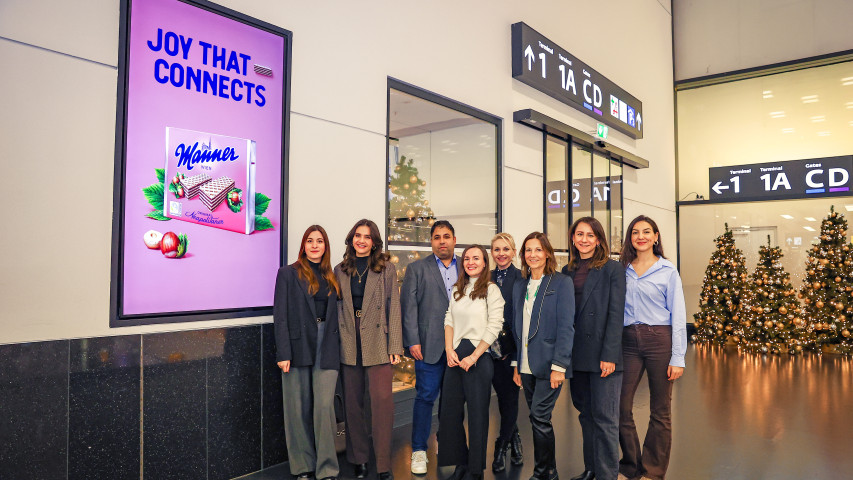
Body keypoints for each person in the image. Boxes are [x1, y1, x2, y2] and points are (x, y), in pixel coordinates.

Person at [617, 216, 686, 480]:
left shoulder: (668, 271)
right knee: (620, 405)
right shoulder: (622, 269)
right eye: (635, 232)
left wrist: (678, 357)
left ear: (656, 236)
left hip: (659, 339)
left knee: (660, 409)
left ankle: (653, 471)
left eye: (647, 232)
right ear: (630, 237)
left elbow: (678, 315)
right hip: (628, 341)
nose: (641, 237)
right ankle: (630, 465)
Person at [334, 219, 403, 480]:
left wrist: (395, 345)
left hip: (378, 338)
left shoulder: (386, 269)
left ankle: (383, 463)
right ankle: (359, 459)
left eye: (367, 237)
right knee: (353, 405)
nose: (361, 240)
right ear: (351, 239)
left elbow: (393, 307)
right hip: (349, 338)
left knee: (382, 403)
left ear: (374, 242)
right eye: (357, 235)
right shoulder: (340, 269)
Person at [273, 225, 342, 480]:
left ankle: (327, 468)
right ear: (303, 245)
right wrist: (283, 352)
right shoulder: (287, 274)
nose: (315, 245)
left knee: (324, 407)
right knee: (297, 407)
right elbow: (280, 315)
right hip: (297, 345)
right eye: (310, 241)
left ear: (325, 246)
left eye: (319, 241)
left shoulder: (332, 275)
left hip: (327, 344)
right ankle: (303, 466)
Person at [561, 218, 626, 480]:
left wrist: (609, 355)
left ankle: (608, 474)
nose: (584, 239)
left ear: (598, 239)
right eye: (579, 234)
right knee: (585, 415)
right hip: (576, 355)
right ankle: (591, 469)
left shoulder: (613, 269)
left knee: (605, 418)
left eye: (590, 235)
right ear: (573, 238)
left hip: (603, 355)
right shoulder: (566, 270)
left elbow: (616, 314)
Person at [438, 245, 505, 480]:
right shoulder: (458, 289)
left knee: (477, 414)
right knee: (450, 413)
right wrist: (449, 349)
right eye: (467, 258)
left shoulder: (491, 290)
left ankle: (475, 470)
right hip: (455, 356)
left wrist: (474, 356)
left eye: (476, 258)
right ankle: (460, 463)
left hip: (479, 356)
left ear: (485, 262)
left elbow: (495, 325)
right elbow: (448, 319)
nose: (471, 262)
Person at [511, 232, 575, 480]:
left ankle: (542, 473)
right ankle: (551, 471)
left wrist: (559, 365)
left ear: (547, 253)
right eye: (528, 250)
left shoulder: (561, 283)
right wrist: (516, 363)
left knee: (539, 416)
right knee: (539, 419)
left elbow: (566, 327)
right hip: (526, 362)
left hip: (550, 363)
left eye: (538, 249)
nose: (533, 255)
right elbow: (516, 327)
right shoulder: (520, 285)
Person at [401, 220, 459, 474]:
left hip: (459, 347)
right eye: (437, 237)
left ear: (454, 239)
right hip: (428, 346)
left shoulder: (467, 266)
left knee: (452, 400)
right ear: (431, 241)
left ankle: (446, 444)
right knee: (425, 398)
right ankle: (418, 450)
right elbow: (409, 307)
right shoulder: (417, 269)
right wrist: (413, 340)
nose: (442, 241)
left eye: (446, 236)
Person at [489, 233, 525, 472]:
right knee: (502, 398)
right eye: (496, 249)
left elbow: (522, 319)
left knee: (509, 398)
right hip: (488, 349)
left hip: (512, 349)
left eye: (505, 249)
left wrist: (516, 357)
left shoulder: (522, 278)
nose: (501, 254)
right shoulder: (485, 277)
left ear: (513, 252)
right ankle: (515, 437)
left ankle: (501, 446)